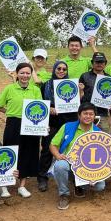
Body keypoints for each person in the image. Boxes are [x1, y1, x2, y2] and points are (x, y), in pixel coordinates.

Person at [0, 62, 42, 198]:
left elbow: (40, 107)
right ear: (17, 74)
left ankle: (22, 186)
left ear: (31, 75)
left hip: (31, 125)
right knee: (10, 151)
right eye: (22, 73)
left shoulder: (35, 90)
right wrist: (10, 112)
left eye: (28, 73)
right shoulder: (9, 88)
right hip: (13, 123)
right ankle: (4, 185)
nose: (25, 75)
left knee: (28, 152)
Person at [49, 103, 106, 210]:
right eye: (85, 114)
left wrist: (95, 175)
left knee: (100, 186)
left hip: (87, 167)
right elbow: (53, 145)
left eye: (91, 114)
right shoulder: (67, 126)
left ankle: (79, 185)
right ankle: (64, 194)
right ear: (79, 115)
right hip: (68, 163)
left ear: (94, 117)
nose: (88, 116)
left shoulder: (98, 133)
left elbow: (101, 158)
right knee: (60, 166)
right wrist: (58, 155)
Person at [38, 60, 78, 192]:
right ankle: (42, 177)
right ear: (54, 70)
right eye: (58, 69)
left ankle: (75, 176)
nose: (61, 71)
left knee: (71, 148)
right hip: (52, 122)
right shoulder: (46, 86)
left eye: (64, 69)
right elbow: (40, 104)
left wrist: (81, 91)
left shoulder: (73, 85)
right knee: (47, 149)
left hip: (69, 122)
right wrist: (49, 108)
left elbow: (79, 103)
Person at [79, 52, 111, 129]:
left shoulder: (109, 78)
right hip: (86, 114)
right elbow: (79, 96)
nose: (99, 64)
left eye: (101, 62)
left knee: (102, 138)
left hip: (103, 114)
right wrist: (81, 90)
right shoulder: (84, 76)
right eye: (97, 62)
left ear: (105, 63)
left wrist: (110, 105)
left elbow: (110, 97)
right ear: (92, 63)